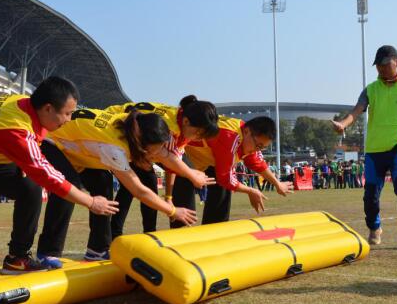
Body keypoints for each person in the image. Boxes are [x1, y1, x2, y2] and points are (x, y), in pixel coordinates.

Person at [0, 76, 119, 286]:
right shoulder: (16, 128)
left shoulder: (29, 110)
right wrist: (91, 202)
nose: (69, 120)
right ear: (48, 108)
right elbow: (49, 176)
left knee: (30, 188)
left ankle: (18, 258)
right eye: (67, 113)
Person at [37, 108, 211, 265]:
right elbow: (139, 190)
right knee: (68, 184)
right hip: (52, 141)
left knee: (103, 184)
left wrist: (190, 173)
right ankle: (47, 253)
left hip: (77, 149)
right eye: (153, 152)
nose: (156, 156)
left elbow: (165, 155)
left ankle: (97, 250)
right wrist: (172, 211)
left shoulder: (134, 125)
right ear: (140, 144)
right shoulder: (114, 149)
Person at [331, 45, 397, 251]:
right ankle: (374, 227)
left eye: (385, 64)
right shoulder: (371, 89)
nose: (381, 69)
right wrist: (343, 124)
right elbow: (357, 110)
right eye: (378, 66)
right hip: (375, 149)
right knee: (370, 194)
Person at [104, 96, 220, 240]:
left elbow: (172, 165)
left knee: (138, 185)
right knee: (141, 186)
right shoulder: (169, 129)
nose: (199, 138)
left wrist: (169, 197)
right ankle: (131, 235)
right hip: (116, 136)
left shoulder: (182, 126)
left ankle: (133, 234)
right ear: (186, 121)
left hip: (131, 139)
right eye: (199, 133)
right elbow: (168, 159)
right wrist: (191, 175)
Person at [170, 116, 291, 227]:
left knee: (221, 190)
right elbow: (225, 178)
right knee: (185, 184)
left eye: (261, 148)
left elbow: (257, 163)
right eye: (257, 145)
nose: (256, 150)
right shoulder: (230, 136)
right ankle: (178, 237)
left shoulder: (246, 136)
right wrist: (251, 190)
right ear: (247, 131)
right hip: (178, 148)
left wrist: (277, 183)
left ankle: (215, 232)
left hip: (197, 158)